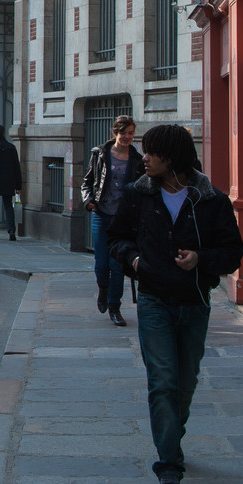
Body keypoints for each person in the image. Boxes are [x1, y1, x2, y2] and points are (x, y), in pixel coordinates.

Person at [109, 124, 243, 484]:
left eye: (152, 152)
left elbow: (234, 253)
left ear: (172, 158)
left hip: (194, 303)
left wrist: (201, 258)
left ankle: (173, 431)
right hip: (154, 301)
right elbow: (116, 239)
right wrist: (134, 261)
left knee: (184, 385)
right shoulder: (138, 195)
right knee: (164, 382)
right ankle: (169, 465)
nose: (145, 157)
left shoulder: (210, 199)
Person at [81, 114, 143, 326]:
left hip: (122, 220)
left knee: (117, 265)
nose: (127, 137)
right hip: (101, 215)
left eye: (131, 133)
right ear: (115, 132)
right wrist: (89, 200)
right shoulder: (100, 154)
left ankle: (114, 307)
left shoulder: (136, 159)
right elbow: (87, 182)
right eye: (124, 133)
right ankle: (103, 289)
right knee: (102, 264)